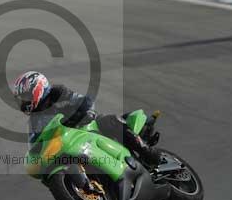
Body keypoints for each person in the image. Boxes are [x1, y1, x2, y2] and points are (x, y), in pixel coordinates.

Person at [12, 71, 162, 167]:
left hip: (87, 125)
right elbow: (34, 142)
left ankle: (146, 151)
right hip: (68, 141)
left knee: (110, 120)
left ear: (37, 89)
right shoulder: (34, 120)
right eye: (21, 100)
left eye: (24, 98)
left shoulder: (58, 93)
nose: (23, 103)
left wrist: (85, 112)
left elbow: (85, 101)